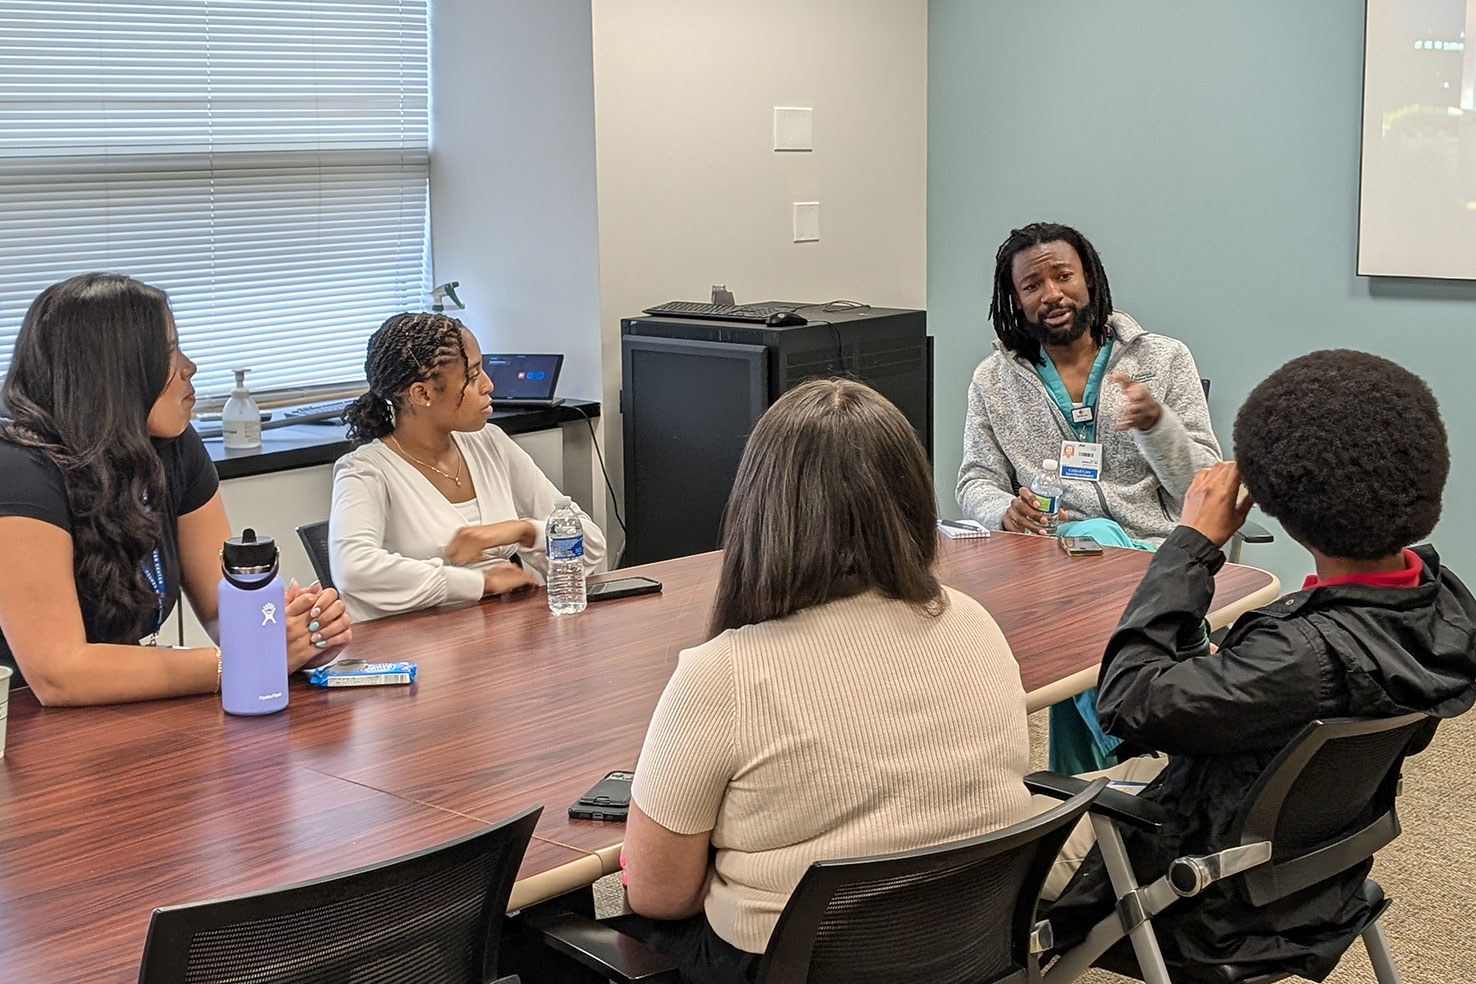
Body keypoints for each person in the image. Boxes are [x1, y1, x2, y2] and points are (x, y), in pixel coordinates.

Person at [1044, 350, 1476, 980]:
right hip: (1315, 876)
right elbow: (1271, 685)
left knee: (991, 830)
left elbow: (1127, 700)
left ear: (1282, 505)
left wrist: (1189, 546)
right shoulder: (1441, 605)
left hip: (1214, 907)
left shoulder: (1302, 656)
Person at [618, 379, 1033, 984]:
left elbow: (659, 896)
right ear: (913, 502)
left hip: (788, 966)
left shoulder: (721, 674)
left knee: (547, 931)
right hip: (962, 949)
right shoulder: (972, 620)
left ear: (760, 510)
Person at [0, 274, 351, 705]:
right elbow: (60, 672)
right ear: (112, 371)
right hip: (22, 729)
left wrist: (292, 633)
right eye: (169, 352)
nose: (190, 366)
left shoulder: (172, 445)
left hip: (121, 714)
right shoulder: (18, 471)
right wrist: (246, 660)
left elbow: (224, 612)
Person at [956, 221, 1221, 548]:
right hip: (1051, 553)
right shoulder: (993, 379)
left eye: (1064, 276)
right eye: (1032, 286)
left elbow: (1206, 486)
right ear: (1016, 298)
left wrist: (1157, 427)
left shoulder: (1164, 358)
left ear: (1089, 277)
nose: (1052, 295)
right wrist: (1003, 512)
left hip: (1158, 551)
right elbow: (977, 480)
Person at [330, 311, 605, 622]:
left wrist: (524, 531)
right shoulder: (364, 471)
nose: (488, 384)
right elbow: (354, 571)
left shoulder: (491, 443)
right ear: (423, 393)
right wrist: (479, 582)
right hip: (419, 656)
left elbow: (592, 549)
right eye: (472, 376)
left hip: (502, 639)